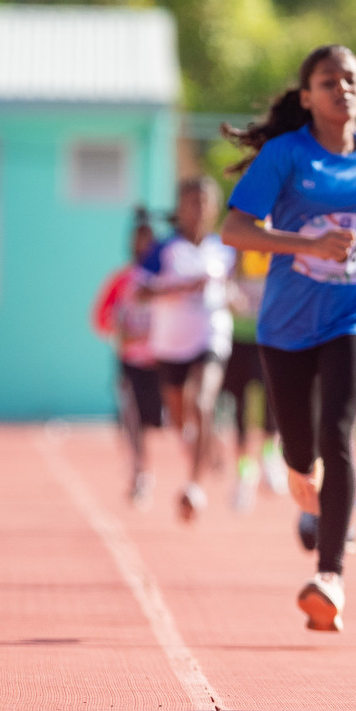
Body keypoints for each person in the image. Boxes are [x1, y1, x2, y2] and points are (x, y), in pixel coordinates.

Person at [220, 44, 356, 633]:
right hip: (286, 324)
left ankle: (330, 576)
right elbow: (235, 229)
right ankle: (314, 499)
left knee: (339, 431)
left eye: (350, 79)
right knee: (302, 458)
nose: (340, 88)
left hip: (352, 314)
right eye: (328, 81)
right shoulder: (285, 154)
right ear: (307, 97)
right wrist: (305, 245)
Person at [139, 177, 235, 522]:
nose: (199, 209)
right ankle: (196, 445)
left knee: (203, 401)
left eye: (206, 202)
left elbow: (234, 291)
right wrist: (179, 287)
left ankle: (194, 486)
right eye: (193, 202)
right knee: (179, 417)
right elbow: (139, 293)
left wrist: (234, 298)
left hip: (211, 337)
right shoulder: (163, 250)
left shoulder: (225, 249)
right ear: (180, 208)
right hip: (170, 344)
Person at [90, 207, 163, 507]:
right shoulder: (121, 280)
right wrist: (122, 333)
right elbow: (100, 319)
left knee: (164, 420)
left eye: (148, 240)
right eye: (138, 239)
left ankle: (199, 464)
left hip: (162, 362)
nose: (143, 245)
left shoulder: (164, 279)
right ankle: (139, 473)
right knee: (132, 418)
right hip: (130, 361)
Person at [222, 243, 288, 512]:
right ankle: (243, 474)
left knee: (272, 401)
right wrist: (230, 294)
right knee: (240, 408)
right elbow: (222, 285)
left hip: (268, 338)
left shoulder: (277, 252)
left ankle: (270, 458)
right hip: (238, 340)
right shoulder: (235, 255)